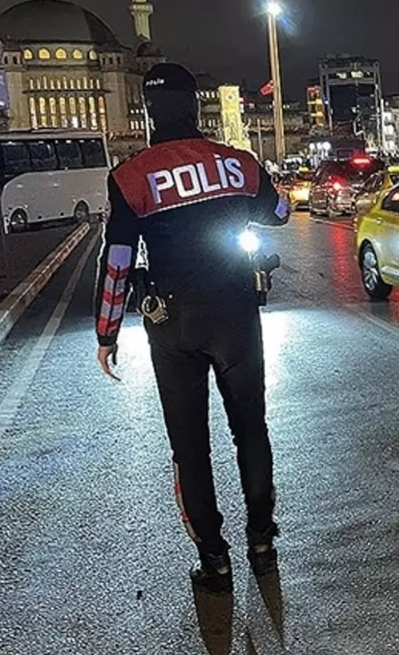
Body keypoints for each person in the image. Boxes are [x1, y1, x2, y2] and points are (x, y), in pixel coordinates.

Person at [93, 63, 290, 592]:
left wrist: (107, 331)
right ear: (196, 104)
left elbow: (117, 260)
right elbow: (280, 212)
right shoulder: (237, 164)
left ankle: (214, 557)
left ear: (148, 109)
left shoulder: (131, 177)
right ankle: (263, 542)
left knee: (190, 447)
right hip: (235, 314)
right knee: (251, 429)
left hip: (171, 324)